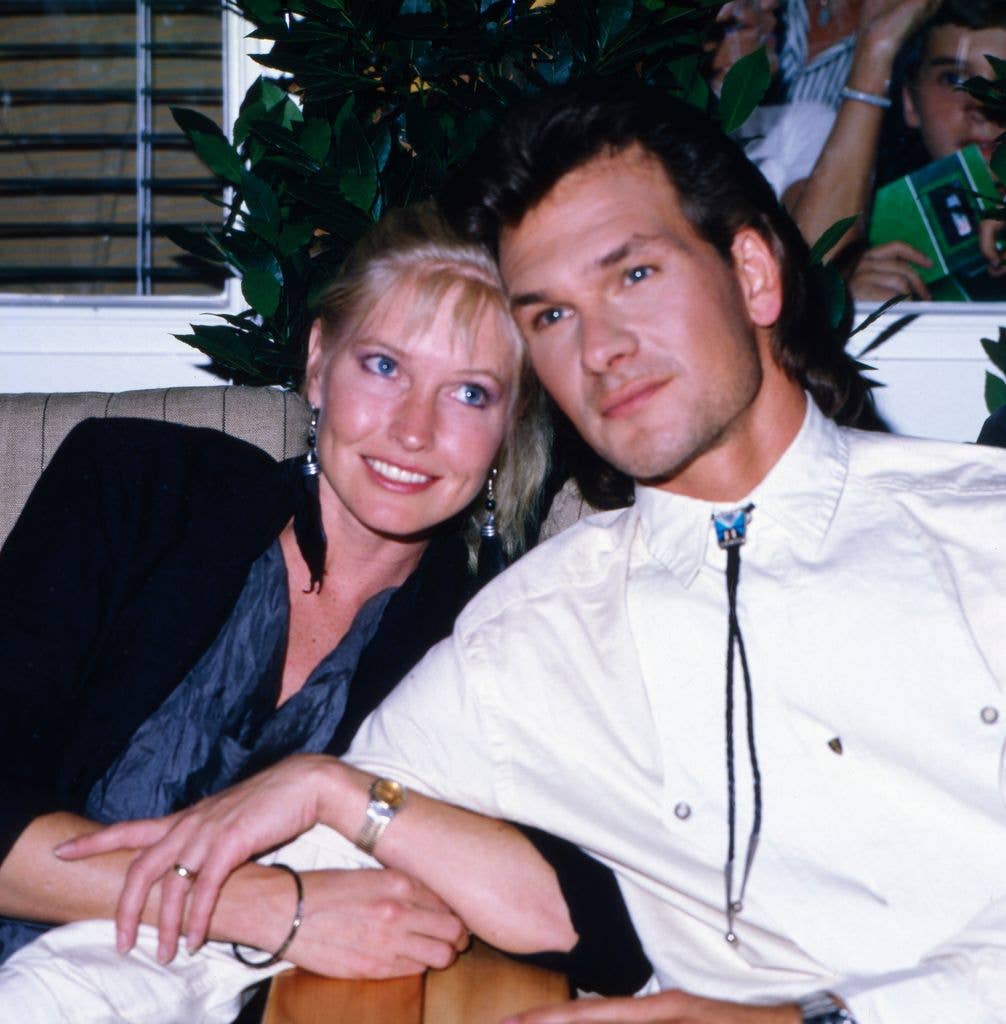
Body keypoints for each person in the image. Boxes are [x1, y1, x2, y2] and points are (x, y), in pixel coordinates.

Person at [50, 79, 1006, 1024]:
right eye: (551, 314)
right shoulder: (523, 638)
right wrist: (324, 789)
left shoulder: (979, 532)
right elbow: (190, 933)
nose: (601, 347)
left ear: (753, 275)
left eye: (634, 275)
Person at [0, 202, 606, 993]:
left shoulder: (493, 630)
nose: (413, 430)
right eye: (384, 367)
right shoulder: (137, 486)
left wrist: (339, 793)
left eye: (469, 394)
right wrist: (268, 907)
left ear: (511, 427)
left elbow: (597, 921)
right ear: (319, 364)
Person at [781, 0, 1006, 301]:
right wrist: (848, 301)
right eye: (953, 79)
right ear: (911, 103)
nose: (982, 104)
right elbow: (801, 292)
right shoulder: (865, 214)